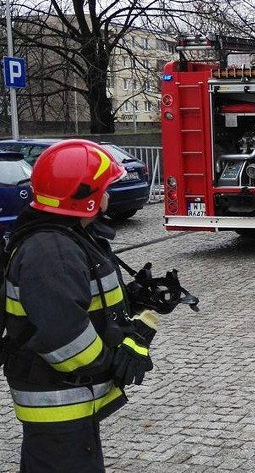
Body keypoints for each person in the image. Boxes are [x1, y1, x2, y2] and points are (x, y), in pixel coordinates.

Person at [1, 139, 157, 472]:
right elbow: (65, 339)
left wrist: (134, 298)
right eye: (104, 187)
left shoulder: (67, 236)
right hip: (58, 407)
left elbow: (81, 301)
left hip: (68, 407)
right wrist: (114, 361)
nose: (109, 193)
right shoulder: (51, 252)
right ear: (85, 197)